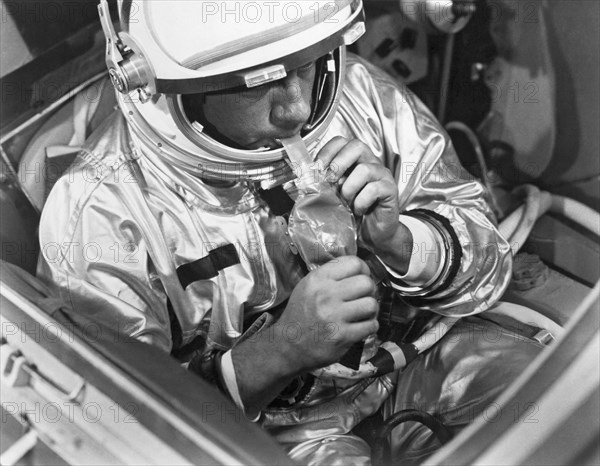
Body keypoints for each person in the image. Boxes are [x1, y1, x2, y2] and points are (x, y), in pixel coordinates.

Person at [38, 1, 543, 464]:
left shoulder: (361, 96)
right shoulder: (99, 213)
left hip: (414, 360)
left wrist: (402, 242)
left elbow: (488, 262)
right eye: (255, 83)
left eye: (303, 65)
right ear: (158, 83)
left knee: (548, 403)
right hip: (266, 441)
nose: (297, 109)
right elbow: (128, 431)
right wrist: (278, 351)